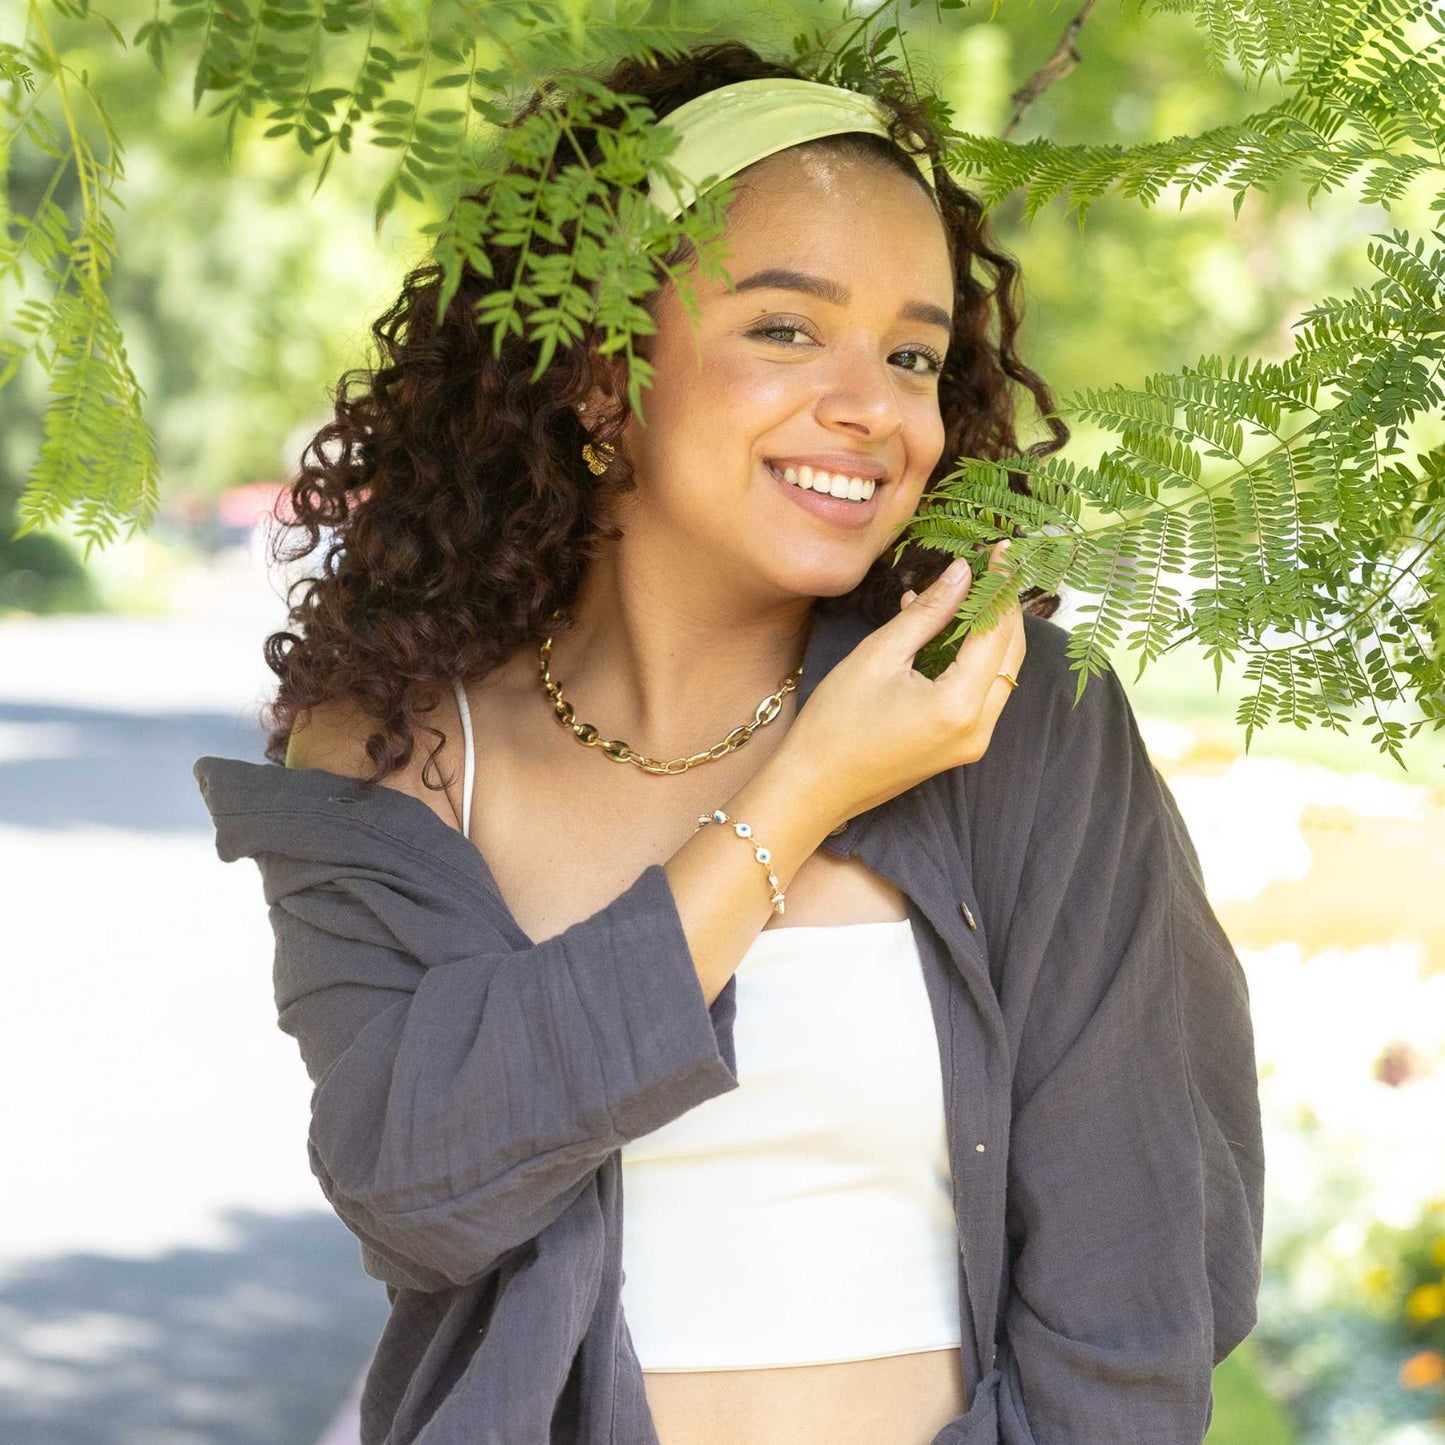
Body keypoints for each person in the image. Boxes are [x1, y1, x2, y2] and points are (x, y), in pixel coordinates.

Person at [193, 39, 1264, 1445]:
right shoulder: (403, 748)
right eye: (785, 329)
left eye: (913, 355)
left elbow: (1135, 1306)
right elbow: (413, 1183)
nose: (870, 406)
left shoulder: (1008, 721)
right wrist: (803, 792)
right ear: (599, 370)